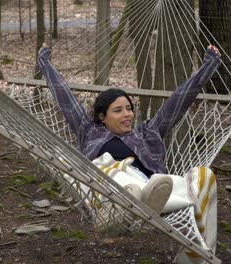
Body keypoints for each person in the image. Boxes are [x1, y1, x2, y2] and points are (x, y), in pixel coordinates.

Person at [37, 44, 221, 227]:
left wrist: (208, 67)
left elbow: (178, 102)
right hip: (105, 183)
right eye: (118, 110)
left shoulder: (148, 133)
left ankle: (147, 205)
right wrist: (44, 63)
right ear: (102, 117)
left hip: (145, 184)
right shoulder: (89, 131)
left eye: (129, 109)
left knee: (204, 176)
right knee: (108, 170)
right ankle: (121, 207)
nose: (127, 114)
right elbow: (64, 96)